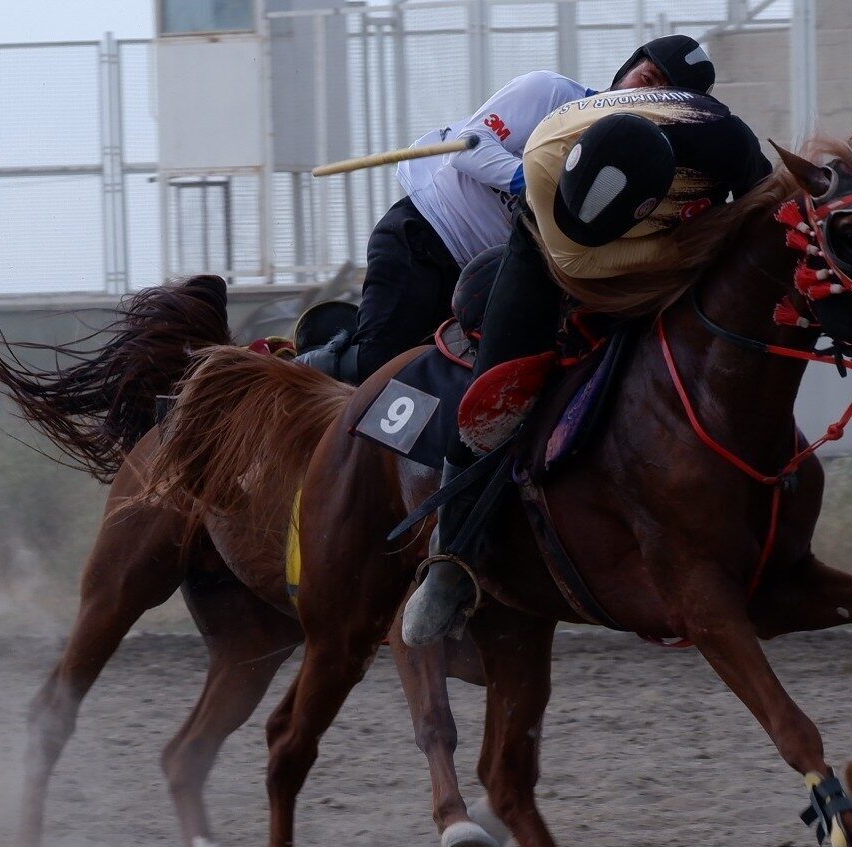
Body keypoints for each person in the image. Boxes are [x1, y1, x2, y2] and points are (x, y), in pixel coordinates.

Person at [402, 35, 774, 648]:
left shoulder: (724, 143)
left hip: (655, 261)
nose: (644, 87)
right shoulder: (550, 143)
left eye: (658, 82)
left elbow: (763, 206)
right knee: (494, 395)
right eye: (641, 74)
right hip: (544, 254)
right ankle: (452, 562)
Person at [293, 50, 684, 382]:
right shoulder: (550, 92)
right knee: (378, 366)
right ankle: (286, 376)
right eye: (646, 77)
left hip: (488, 284)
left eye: (664, 94)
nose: (646, 94)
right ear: (626, 69)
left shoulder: (650, 174)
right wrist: (536, 187)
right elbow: (468, 149)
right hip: (426, 237)